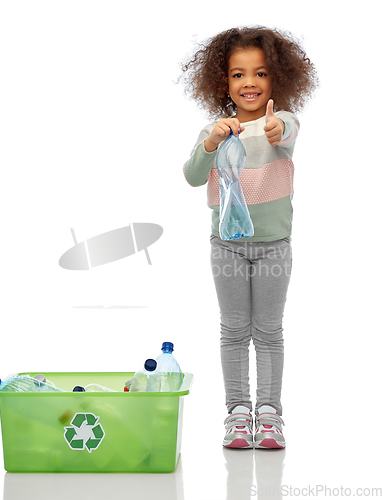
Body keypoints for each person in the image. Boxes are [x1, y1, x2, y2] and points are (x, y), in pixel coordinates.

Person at [180, 26, 318, 449]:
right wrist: (211, 142)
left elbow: (286, 133)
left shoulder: (284, 122)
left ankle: (270, 415)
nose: (249, 83)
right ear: (223, 82)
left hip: (275, 245)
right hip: (227, 248)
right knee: (235, 330)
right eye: (238, 75)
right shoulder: (214, 131)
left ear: (277, 78)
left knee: (269, 330)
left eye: (260, 73)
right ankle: (239, 414)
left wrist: (276, 127)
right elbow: (191, 176)